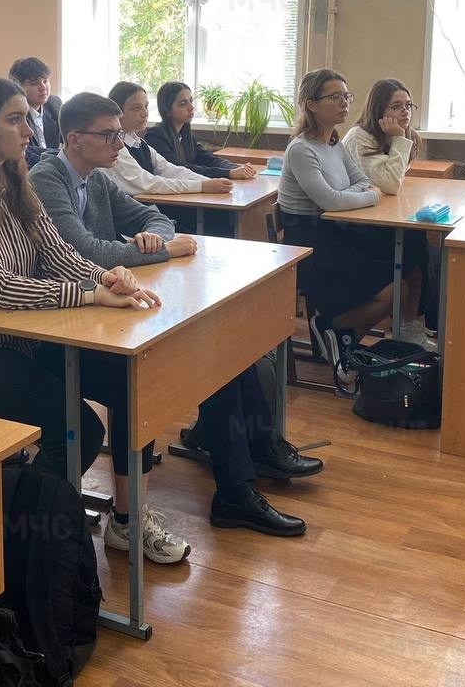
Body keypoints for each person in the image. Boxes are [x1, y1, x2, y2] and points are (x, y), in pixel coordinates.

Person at [0, 76, 192, 564]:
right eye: (14, 120)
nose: (28, 132)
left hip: (20, 340)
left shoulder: (13, 183)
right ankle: (31, 540)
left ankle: (125, 521)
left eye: (25, 119)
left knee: (129, 381)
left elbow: (57, 253)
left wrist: (109, 280)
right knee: (75, 429)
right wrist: (88, 294)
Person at [31, 92, 317, 539]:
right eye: (109, 136)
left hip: (108, 314)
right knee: (149, 382)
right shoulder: (46, 179)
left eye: (118, 135)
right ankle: (135, 520)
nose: (119, 145)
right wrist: (159, 249)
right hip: (61, 332)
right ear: (74, 139)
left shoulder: (98, 177)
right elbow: (83, 252)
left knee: (221, 354)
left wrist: (151, 235)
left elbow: (154, 215)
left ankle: (246, 473)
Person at [278, 69, 429, 366]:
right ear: (311, 104)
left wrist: (354, 191)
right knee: (397, 288)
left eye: (346, 96)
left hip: (335, 233)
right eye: (335, 97)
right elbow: (331, 200)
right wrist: (367, 195)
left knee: (407, 270)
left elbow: (359, 180)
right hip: (308, 245)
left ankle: (340, 338)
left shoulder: (333, 142)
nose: (344, 103)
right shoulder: (301, 149)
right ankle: (332, 328)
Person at [342, 78, 436, 340]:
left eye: (408, 105)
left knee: (420, 244)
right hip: (354, 226)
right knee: (414, 250)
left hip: (378, 218)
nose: (405, 112)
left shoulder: (402, 137)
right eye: (396, 106)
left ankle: (408, 327)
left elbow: (393, 181)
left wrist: (399, 140)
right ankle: (405, 327)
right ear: (379, 110)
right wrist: (398, 140)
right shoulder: (359, 138)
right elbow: (392, 184)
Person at [104, 81, 234, 197]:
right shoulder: (115, 148)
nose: (145, 113)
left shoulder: (139, 143)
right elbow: (148, 183)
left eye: (146, 106)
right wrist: (202, 186)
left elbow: (170, 169)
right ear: (117, 112)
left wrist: (207, 181)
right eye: (136, 108)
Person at [144, 81, 256, 180]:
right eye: (183, 104)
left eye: (191, 101)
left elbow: (207, 158)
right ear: (167, 110)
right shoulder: (155, 136)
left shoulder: (185, 134)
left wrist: (235, 167)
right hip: (170, 198)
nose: (191, 107)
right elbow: (181, 169)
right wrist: (229, 173)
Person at [9, 56, 62, 166]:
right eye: (34, 83)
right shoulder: (13, 113)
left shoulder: (54, 104)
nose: (43, 88)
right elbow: (26, 152)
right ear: (18, 86)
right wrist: (62, 157)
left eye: (45, 81)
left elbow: (68, 137)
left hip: (52, 169)